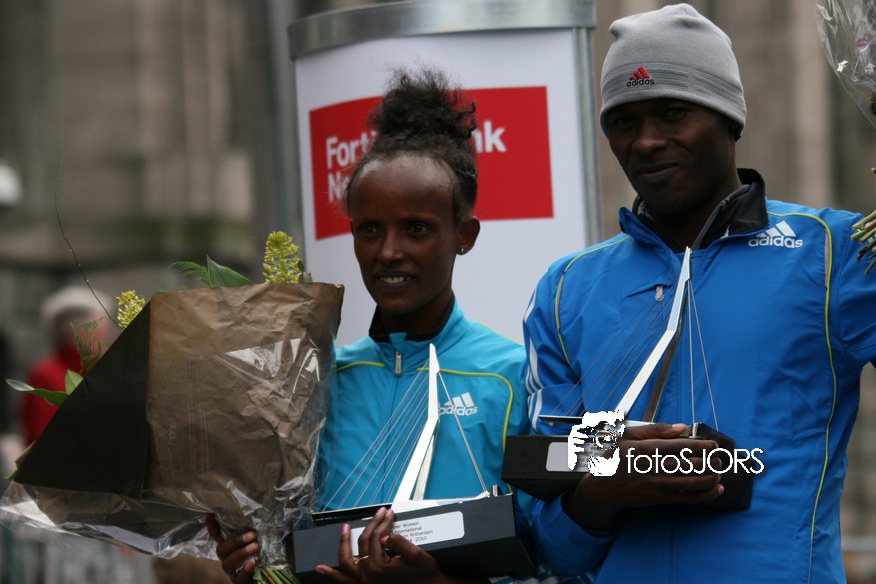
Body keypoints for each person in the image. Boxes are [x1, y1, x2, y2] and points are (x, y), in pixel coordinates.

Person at [523, 3, 876, 583]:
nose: (646, 141)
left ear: (730, 118)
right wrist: (602, 493)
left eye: (673, 113)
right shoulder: (565, 291)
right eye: (623, 121)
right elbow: (553, 549)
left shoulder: (835, 252)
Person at [213, 68, 572, 584]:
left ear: (465, 235)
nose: (388, 251)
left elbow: (560, 560)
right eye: (370, 229)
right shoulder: (310, 385)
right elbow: (292, 547)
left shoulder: (515, 378)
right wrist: (255, 563)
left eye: (416, 228)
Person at [18, 285, 116, 445]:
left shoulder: (106, 372)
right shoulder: (46, 375)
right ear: (74, 333)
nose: (108, 338)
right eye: (101, 331)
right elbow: (42, 437)